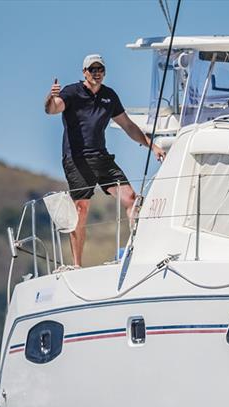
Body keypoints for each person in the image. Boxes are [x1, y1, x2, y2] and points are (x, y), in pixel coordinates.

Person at [45, 53, 166, 267]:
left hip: (101, 158)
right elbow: (53, 109)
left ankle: (135, 253)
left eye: (100, 69)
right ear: (84, 72)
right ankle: (77, 265)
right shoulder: (72, 92)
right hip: (77, 159)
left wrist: (152, 145)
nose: (97, 73)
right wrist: (50, 97)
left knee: (131, 200)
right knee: (81, 209)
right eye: (92, 69)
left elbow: (128, 125)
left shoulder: (109, 96)